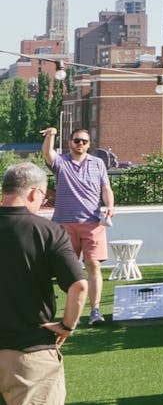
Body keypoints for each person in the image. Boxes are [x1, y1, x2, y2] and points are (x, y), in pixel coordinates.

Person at [0, 162, 89, 405]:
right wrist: (67, 325)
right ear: (35, 193)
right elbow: (80, 285)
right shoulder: (47, 231)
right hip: (30, 355)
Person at [40, 128, 114, 325]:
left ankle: (95, 311)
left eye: (84, 141)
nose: (80, 144)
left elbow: (105, 188)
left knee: (94, 265)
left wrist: (110, 206)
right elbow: (47, 153)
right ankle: (72, 312)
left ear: (89, 144)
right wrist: (51, 136)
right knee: (67, 270)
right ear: (70, 142)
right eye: (76, 141)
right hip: (64, 224)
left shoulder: (98, 163)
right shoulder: (61, 162)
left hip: (93, 223)